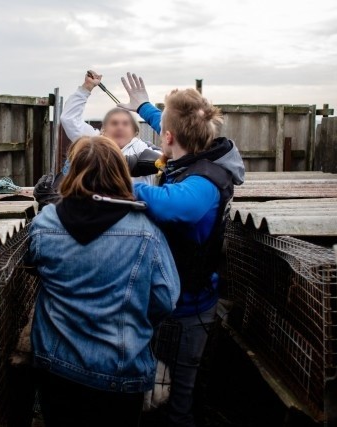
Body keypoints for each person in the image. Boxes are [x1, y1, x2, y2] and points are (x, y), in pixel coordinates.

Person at [119, 73, 245, 427]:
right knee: (156, 381)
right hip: (169, 297)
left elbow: (174, 205)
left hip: (190, 307)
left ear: (171, 138)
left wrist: (116, 182)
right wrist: (145, 107)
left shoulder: (203, 183)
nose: (161, 134)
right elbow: (172, 127)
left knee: (178, 395)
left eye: (163, 131)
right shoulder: (196, 149)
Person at [28, 135, 180, 427]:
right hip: (120, 371)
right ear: (120, 173)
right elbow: (166, 299)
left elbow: (35, 265)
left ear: (72, 173)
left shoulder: (45, 223)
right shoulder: (146, 230)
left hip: (56, 367)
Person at [60, 71, 158, 185]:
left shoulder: (143, 149)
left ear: (135, 132)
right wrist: (86, 88)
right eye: (114, 123)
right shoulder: (94, 142)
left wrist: (145, 107)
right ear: (103, 130)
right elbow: (69, 119)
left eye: (125, 124)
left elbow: (171, 156)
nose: (120, 127)